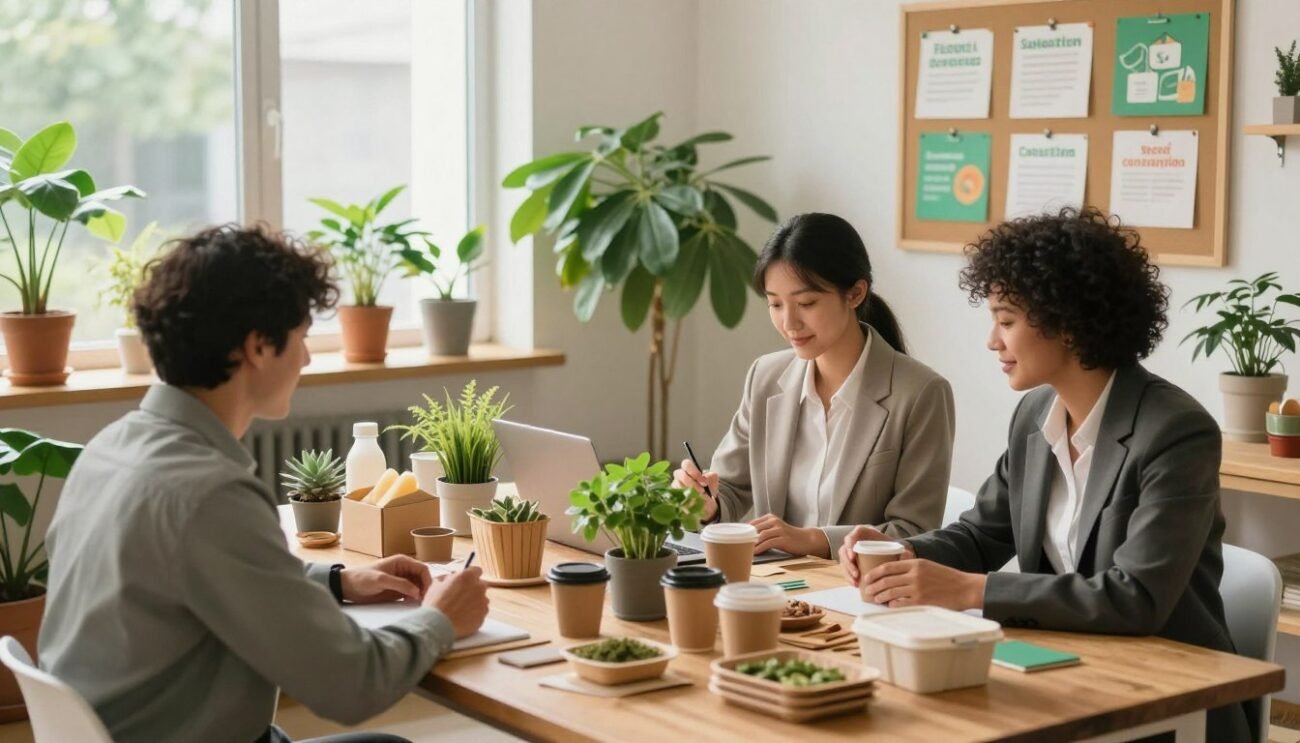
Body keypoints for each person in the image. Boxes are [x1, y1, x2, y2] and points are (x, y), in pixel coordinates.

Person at [39, 224, 490, 743]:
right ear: (257, 346)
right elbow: (350, 684)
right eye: (300, 338)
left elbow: (198, 570)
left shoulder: (109, 450)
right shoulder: (209, 493)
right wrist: (440, 619)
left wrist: (337, 582)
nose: (306, 358)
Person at [838, 207, 1249, 741]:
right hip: (1059, 674)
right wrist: (905, 557)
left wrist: (969, 591)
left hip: (1163, 705)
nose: (992, 341)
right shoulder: (1034, 417)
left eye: (1006, 321)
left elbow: (1135, 598)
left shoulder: (1175, 431)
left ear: (1069, 324)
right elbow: (981, 533)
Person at [675, 212, 955, 557]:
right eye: (775, 304)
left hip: (860, 592)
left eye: (806, 303)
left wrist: (813, 539)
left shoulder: (921, 393)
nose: (789, 322)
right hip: (778, 585)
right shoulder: (765, 377)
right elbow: (730, 487)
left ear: (854, 294)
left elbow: (915, 532)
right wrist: (707, 505)